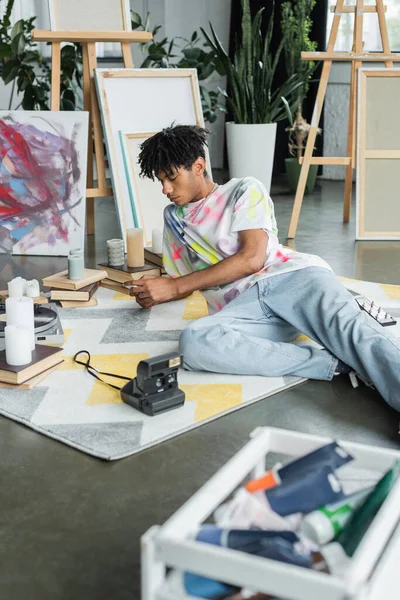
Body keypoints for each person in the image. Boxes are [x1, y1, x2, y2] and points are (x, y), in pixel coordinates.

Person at [132, 124, 400, 412]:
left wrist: (175, 286)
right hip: (246, 310)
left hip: (291, 279)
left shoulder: (243, 190)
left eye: (171, 178)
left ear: (198, 166)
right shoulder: (173, 218)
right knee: (195, 343)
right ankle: (332, 364)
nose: (166, 189)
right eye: (160, 181)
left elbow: (253, 258)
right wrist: (157, 291)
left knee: (359, 334)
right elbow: (185, 281)